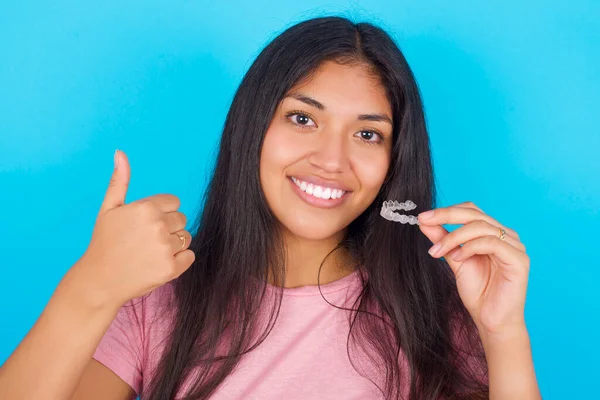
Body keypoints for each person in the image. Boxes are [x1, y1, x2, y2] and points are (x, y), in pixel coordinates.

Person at [0, 16, 541, 400]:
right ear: (253, 126)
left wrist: (504, 334)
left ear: (394, 161)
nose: (332, 160)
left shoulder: (430, 316)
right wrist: (88, 288)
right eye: (303, 119)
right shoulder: (153, 306)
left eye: (368, 134)